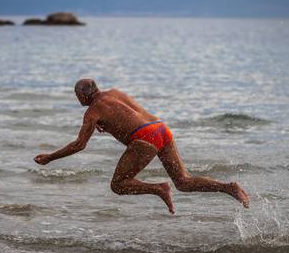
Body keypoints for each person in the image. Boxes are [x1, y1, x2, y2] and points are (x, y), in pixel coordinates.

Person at [34, 79, 249, 214]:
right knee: (183, 182)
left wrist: (50, 158)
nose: (76, 99)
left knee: (118, 185)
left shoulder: (92, 112)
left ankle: (158, 189)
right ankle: (228, 187)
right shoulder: (115, 93)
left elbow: (79, 145)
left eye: (76, 96)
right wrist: (108, 126)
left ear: (82, 95)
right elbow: (126, 116)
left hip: (144, 137)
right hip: (161, 128)